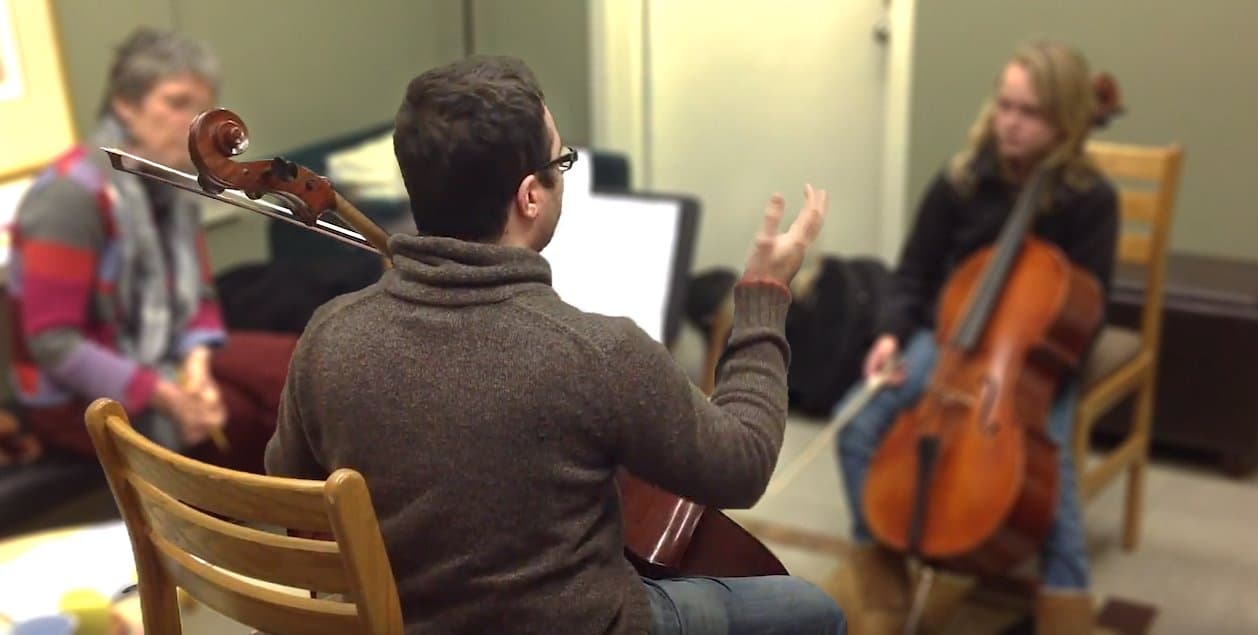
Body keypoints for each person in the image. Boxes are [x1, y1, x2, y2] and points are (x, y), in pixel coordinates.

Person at [264, 55, 846, 634]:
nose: (561, 174)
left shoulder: (330, 334)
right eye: (559, 162)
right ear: (529, 197)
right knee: (812, 611)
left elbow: (288, 479)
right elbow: (741, 463)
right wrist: (764, 294)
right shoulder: (598, 352)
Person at [828, 41, 1119, 634]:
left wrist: (1032, 382)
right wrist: (889, 335)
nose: (1009, 122)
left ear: (1065, 119)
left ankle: (1067, 606)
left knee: (1049, 469)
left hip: (1033, 362)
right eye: (1005, 104)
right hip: (951, 339)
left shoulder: (1092, 202)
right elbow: (912, 276)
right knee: (855, 425)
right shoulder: (961, 180)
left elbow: (1086, 314)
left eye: (1029, 112)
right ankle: (883, 582)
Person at [6, 27, 297, 473]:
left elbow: (199, 298)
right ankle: (230, 536)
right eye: (177, 103)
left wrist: (197, 367)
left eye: (202, 109)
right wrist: (167, 396)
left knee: (300, 372)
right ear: (126, 104)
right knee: (240, 419)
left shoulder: (170, 180)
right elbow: (54, 344)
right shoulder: (69, 196)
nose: (194, 124)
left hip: (163, 348)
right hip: (72, 393)